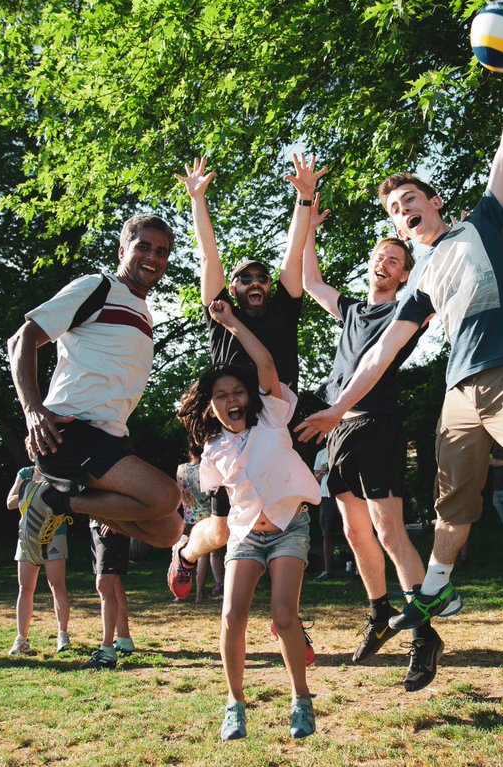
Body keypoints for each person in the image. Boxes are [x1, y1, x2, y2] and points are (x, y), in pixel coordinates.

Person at [297, 60, 503, 693]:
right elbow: (381, 353)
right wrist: (335, 411)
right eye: (393, 209)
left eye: (408, 199)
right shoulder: (416, 282)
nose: (402, 210)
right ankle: (433, 592)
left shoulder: (482, 223)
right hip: (458, 392)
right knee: (451, 501)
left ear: (434, 202)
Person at [299, 185, 441, 689]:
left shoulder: (408, 307)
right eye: (379, 255)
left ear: (404, 272)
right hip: (338, 428)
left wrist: (423, 239)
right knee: (356, 534)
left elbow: (431, 276)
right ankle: (380, 614)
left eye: (394, 257)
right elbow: (309, 279)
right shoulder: (353, 310)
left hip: (377, 423)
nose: (384, 261)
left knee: (388, 529)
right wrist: (310, 229)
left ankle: (424, 634)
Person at [168, 155, 319, 585]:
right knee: (220, 528)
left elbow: (293, 251)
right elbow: (207, 253)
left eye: (261, 277)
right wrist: (198, 199)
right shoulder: (220, 314)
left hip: (276, 421)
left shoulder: (286, 308)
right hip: (232, 430)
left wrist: (304, 198)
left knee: (289, 515)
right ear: (232, 289)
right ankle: (186, 550)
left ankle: (289, 613)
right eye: (245, 278)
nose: (255, 282)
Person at [177, 298, 319, 740]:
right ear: (212, 407)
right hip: (245, 537)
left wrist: (231, 321)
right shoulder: (213, 451)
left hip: (288, 529)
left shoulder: (274, 417)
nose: (232, 399)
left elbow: (264, 360)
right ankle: (235, 704)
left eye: (237, 391)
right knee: (231, 616)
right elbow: (222, 508)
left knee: (282, 616)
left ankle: (301, 699)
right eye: (221, 396)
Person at [7, 215, 184, 565]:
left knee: (169, 531)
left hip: (110, 437)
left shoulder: (143, 313)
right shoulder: (97, 287)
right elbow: (21, 339)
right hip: (72, 430)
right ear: (123, 250)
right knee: (165, 497)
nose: (153, 257)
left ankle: (55, 497)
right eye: (143, 247)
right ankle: (49, 498)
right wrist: (32, 410)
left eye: (162, 251)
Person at [5, 466, 71, 656]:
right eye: (33, 449)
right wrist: (32, 491)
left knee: (57, 585)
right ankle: (21, 639)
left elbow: (69, 499)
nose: (37, 452)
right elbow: (9, 502)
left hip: (54, 532)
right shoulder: (24, 474)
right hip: (27, 534)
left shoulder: (59, 470)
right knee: (25, 587)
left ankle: (62, 634)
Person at [172, 447, 224, 602]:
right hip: (206, 517)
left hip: (187, 516)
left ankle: (178, 593)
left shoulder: (181, 469)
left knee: (184, 554)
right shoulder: (206, 469)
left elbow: (180, 491)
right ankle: (200, 594)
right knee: (205, 556)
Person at [85, 520, 135, 668]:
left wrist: (114, 520)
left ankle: (107, 650)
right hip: (99, 524)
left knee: (104, 583)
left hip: (110, 526)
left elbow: (128, 496)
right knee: (113, 581)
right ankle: (123, 639)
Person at [311, 447, 343, 581]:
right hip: (326, 497)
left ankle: (358, 572)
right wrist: (322, 472)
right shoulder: (321, 453)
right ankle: (327, 571)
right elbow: (315, 478)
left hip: (345, 495)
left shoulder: (344, 447)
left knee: (354, 532)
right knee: (327, 534)